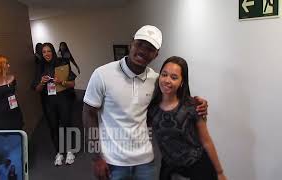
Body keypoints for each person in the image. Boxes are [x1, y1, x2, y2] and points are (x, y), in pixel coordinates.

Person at [83, 25, 208, 180]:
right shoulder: (102, 74)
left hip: (145, 162)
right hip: (113, 161)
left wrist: (197, 102)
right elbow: (89, 115)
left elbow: (176, 99)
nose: (143, 51)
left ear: (156, 54)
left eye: (150, 48)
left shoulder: (156, 80)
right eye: (139, 44)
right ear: (131, 44)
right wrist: (96, 157)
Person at [147, 56, 226, 180]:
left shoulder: (193, 106)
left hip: (198, 168)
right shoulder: (152, 109)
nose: (167, 80)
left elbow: (206, 141)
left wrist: (220, 173)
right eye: (164, 74)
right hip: (170, 170)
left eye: (174, 77)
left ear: (182, 82)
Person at [32, 43, 76, 166]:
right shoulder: (40, 67)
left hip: (63, 99)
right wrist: (41, 82)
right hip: (48, 101)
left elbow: (72, 84)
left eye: (49, 51)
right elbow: (36, 89)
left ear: (53, 52)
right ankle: (59, 152)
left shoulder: (62, 63)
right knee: (53, 126)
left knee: (66, 124)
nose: (46, 54)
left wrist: (61, 81)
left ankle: (70, 151)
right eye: (44, 52)